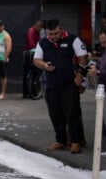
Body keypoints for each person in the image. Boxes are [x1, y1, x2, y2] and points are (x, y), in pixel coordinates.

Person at [33, 19, 88, 154]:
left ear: (61, 29)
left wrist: (80, 77)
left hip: (69, 83)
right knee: (55, 114)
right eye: (50, 34)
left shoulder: (73, 39)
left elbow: (83, 57)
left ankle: (76, 141)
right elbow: (36, 60)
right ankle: (61, 140)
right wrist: (45, 65)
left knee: (72, 113)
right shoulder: (43, 42)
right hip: (52, 85)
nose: (52, 36)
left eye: (55, 33)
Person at [88, 29, 106, 156]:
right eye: (101, 42)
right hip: (104, 90)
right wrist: (95, 66)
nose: (102, 45)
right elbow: (101, 63)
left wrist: (99, 72)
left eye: (105, 42)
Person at [23, 19, 44, 99]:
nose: (39, 28)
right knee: (35, 73)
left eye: (40, 27)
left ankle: (28, 93)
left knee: (28, 73)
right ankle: (32, 92)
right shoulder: (31, 31)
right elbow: (32, 44)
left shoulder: (38, 32)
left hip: (31, 53)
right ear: (35, 25)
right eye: (38, 26)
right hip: (30, 54)